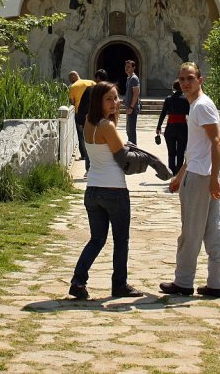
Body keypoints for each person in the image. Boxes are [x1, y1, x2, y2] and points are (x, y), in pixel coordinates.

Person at [68, 81, 144, 300]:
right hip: (114, 190)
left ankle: (78, 280)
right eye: (109, 99)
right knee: (121, 240)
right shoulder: (107, 126)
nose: (115, 103)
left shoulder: (88, 122)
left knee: (96, 239)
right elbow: (122, 156)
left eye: (116, 98)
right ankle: (119, 284)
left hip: (93, 190)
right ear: (98, 101)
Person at [160, 61, 220, 299]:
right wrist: (180, 175)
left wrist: (213, 177)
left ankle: (183, 281)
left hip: (202, 176)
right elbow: (196, 149)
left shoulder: (201, 106)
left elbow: (217, 142)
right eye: (182, 79)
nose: (185, 83)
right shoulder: (197, 105)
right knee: (212, 229)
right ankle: (216, 283)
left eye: (190, 78)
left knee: (191, 231)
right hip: (201, 172)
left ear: (200, 80)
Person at [74, 69, 108, 173]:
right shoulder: (109, 90)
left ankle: (89, 169)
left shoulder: (90, 89)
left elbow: (82, 106)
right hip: (103, 122)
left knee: (89, 145)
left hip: (90, 122)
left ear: (97, 78)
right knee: (102, 146)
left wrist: (81, 121)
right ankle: (101, 167)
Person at [156, 80, 190, 174]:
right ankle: (179, 173)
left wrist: (159, 126)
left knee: (171, 153)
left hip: (170, 127)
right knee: (180, 152)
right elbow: (190, 114)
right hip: (182, 127)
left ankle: (171, 172)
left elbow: (163, 113)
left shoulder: (168, 99)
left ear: (173, 88)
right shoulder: (186, 99)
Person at [68, 71, 95, 165]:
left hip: (79, 114)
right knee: (92, 135)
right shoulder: (91, 82)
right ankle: (92, 155)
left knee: (81, 135)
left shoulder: (73, 87)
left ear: (73, 78)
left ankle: (84, 154)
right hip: (92, 112)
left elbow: (72, 102)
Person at [123, 59, 141, 143]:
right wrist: (124, 100)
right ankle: (131, 144)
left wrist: (131, 107)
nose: (126, 68)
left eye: (128, 67)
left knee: (131, 129)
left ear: (133, 68)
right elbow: (129, 93)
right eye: (126, 66)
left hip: (132, 108)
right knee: (128, 129)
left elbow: (136, 93)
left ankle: (133, 146)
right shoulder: (128, 78)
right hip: (129, 107)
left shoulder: (134, 79)